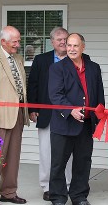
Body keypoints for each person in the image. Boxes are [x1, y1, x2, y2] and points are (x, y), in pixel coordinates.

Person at [48, 33, 105, 205]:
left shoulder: (94, 68)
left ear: (83, 47)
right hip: (64, 124)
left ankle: (79, 196)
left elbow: (99, 95)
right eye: (69, 45)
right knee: (58, 164)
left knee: (83, 162)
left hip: (86, 125)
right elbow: (55, 95)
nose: (71, 49)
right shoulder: (57, 68)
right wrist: (70, 110)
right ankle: (58, 198)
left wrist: (100, 116)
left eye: (75, 46)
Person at [27, 27, 81, 201]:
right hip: (47, 113)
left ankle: (65, 185)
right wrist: (32, 108)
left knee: (67, 152)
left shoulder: (77, 59)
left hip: (69, 113)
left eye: (66, 39)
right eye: (59, 40)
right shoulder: (41, 60)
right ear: (52, 42)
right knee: (46, 151)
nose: (63, 42)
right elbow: (33, 84)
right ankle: (47, 186)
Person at [0, 26, 30, 205]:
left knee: (13, 157)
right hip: (0, 117)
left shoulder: (18, 58)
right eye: (14, 41)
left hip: (18, 115)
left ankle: (8, 192)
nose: (18, 44)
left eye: (18, 40)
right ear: (3, 42)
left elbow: (21, 87)